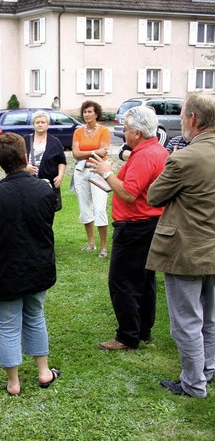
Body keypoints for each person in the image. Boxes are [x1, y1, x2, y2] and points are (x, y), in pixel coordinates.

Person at [0, 132, 60, 397]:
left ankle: (14, 383)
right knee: (35, 316)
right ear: (26, 158)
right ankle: (43, 372)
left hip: (4, 271)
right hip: (36, 267)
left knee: (8, 324)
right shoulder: (45, 189)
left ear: (0, 163)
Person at [146, 93, 215, 398]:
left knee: (187, 321)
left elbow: (154, 196)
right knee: (210, 318)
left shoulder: (184, 157)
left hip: (186, 249)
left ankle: (194, 384)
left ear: (192, 120)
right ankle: (206, 372)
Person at [89, 106, 168, 351]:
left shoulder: (145, 155)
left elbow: (129, 194)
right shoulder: (154, 150)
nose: (123, 134)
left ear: (137, 132)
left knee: (122, 281)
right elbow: (127, 185)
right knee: (144, 280)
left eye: (125, 130)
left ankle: (127, 336)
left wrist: (107, 173)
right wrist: (108, 176)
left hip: (135, 227)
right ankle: (142, 330)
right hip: (147, 224)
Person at [72, 100, 111, 258]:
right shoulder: (78, 132)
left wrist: (86, 152)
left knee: (100, 208)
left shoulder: (104, 130)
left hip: (98, 170)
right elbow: (75, 153)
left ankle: (103, 247)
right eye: (85, 112)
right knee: (84, 207)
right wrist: (95, 151)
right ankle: (91, 243)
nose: (87, 115)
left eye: (90, 112)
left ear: (96, 113)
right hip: (81, 171)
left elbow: (103, 153)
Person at [25, 110, 66, 209]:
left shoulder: (55, 142)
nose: (40, 125)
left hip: (48, 183)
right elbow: (20, 158)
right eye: (37, 122)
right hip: (29, 182)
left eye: (43, 122)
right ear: (33, 124)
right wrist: (26, 167)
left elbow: (62, 161)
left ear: (48, 124)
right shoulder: (25, 140)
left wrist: (60, 176)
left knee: (47, 211)